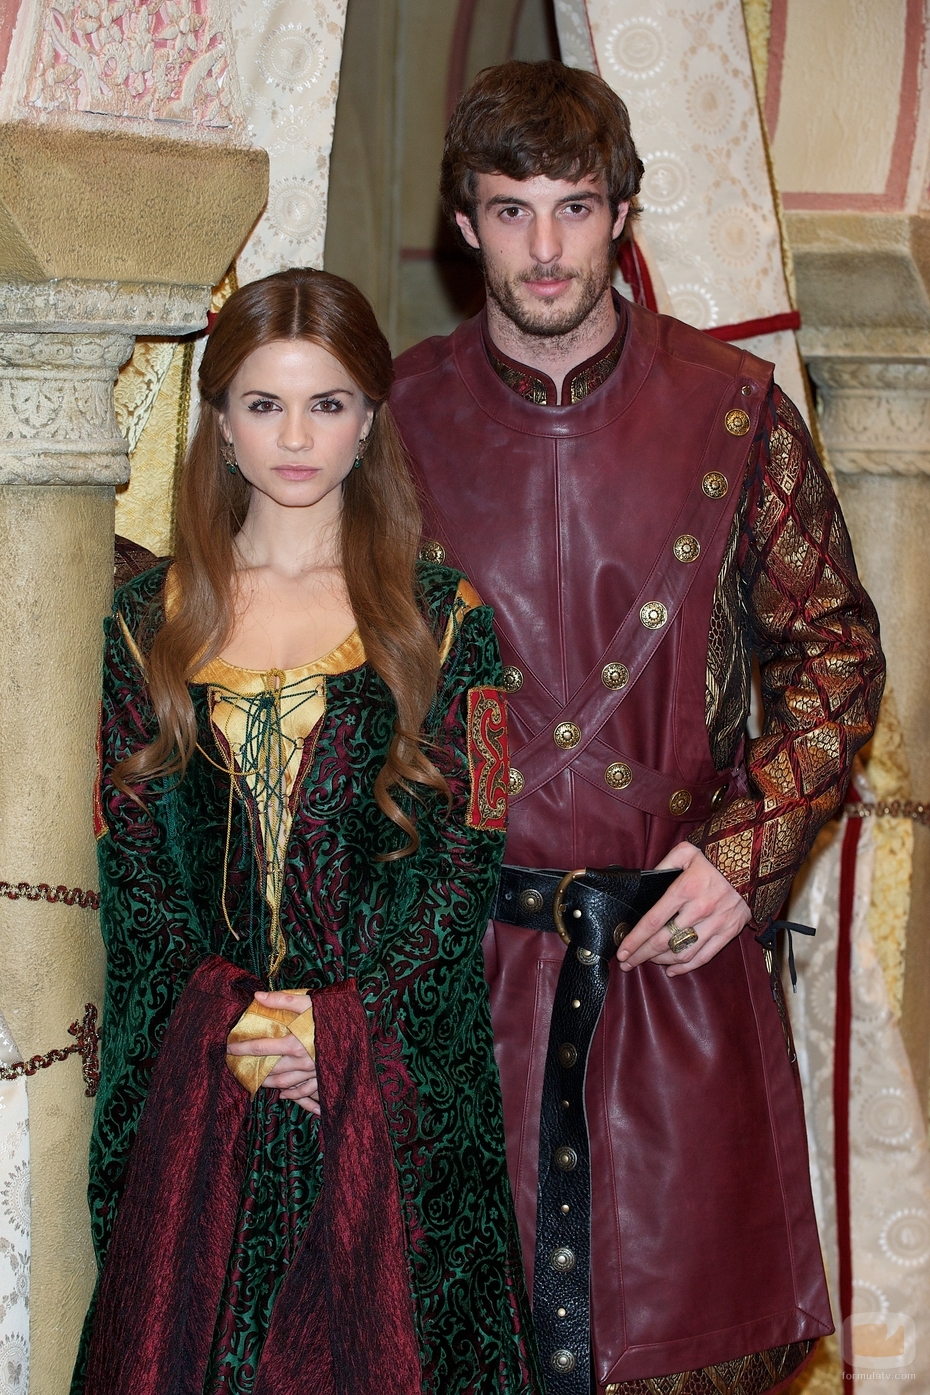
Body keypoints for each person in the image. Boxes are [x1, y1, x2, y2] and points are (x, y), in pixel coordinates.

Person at [390, 61, 885, 1395]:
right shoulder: (391, 421)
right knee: (452, 1348)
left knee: (685, 1361)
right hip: (461, 975)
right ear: (465, 223)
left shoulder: (737, 410)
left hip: (674, 956)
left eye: (575, 207)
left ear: (622, 214)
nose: (546, 248)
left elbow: (836, 651)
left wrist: (743, 854)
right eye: (512, 211)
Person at [74, 268, 543, 1395]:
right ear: (221, 423)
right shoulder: (145, 624)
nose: (295, 437)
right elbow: (134, 873)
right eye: (264, 404)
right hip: (209, 1094)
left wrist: (341, 1034)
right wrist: (239, 1026)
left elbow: (468, 861)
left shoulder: (450, 622)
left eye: (326, 404)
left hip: (387, 1094)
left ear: (369, 419)